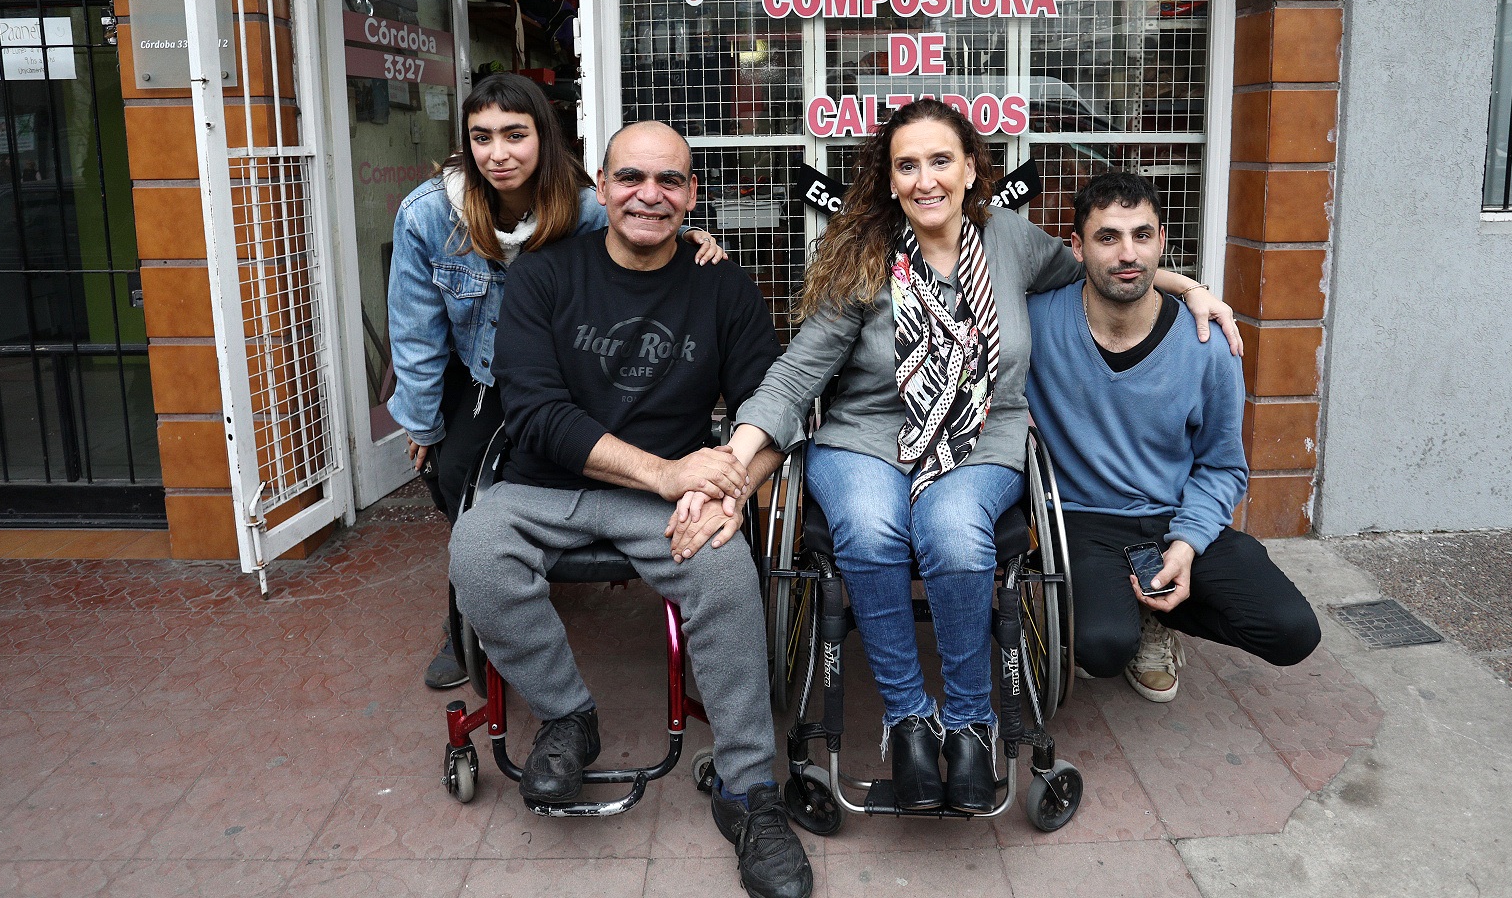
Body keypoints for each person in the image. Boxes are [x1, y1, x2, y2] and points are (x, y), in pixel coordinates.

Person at [720, 99, 1238, 814]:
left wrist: (1187, 287)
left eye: (940, 161)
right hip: (868, 435)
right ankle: (908, 718)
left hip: (983, 436)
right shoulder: (861, 253)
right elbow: (798, 373)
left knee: (953, 535)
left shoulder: (1013, 243)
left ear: (970, 168)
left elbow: (1100, 268)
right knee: (870, 531)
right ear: (889, 178)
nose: (925, 179)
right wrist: (736, 458)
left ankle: (969, 721)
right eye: (908, 165)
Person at [449, 121, 812, 898]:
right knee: (476, 550)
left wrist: (732, 488)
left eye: (671, 181)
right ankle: (567, 717)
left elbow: (772, 408)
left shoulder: (723, 285)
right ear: (602, 186)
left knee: (725, 569)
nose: (650, 195)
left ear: (690, 195)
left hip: (669, 503)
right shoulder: (546, 276)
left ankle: (749, 793)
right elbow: (536, 413)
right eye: (631, 178)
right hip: (547, 485)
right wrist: (669, 473)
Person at [387, 75, 725, 689]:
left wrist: (691, 240)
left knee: (563, 448)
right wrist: (423, 420)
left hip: (565, 369)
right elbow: (415, 329)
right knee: (454, 471)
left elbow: (642, 229)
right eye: (482, 138)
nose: (499, 154)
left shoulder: (585, 204)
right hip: (481, 370)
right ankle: (469, 607)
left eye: (515, 135)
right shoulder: (429, 214)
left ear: (543, 139)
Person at [1026, 171, 1321, 705]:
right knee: (1102, 648)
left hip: (1172, 513)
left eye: (1142, 235)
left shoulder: (1208, 344)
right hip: (1082, 520)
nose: (1126, 254)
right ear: (1077, 247)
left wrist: (1186, 546)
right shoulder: (1037, 324)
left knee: (1292, 631)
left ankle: (1159, 611)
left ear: (1163, 242)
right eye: (1107, 237)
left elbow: (1223, 466)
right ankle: (1128, 618)